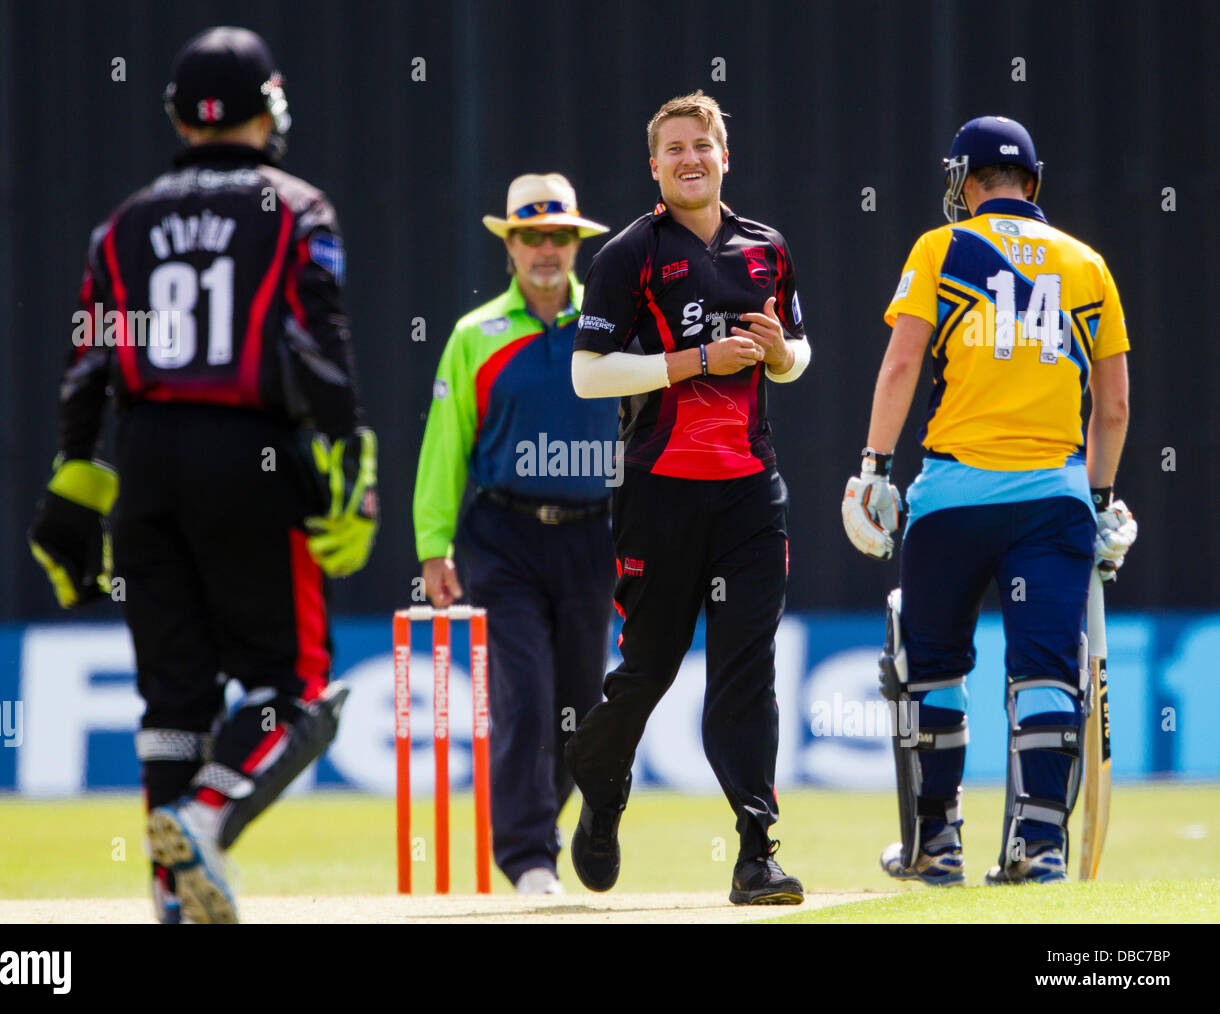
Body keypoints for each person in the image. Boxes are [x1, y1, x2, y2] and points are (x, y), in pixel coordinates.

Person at [27, 26, 378, 923]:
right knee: (291, 688)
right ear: (267, 109)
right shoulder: (296, 208)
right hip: (247, 453)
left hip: (144, 461)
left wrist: (74, 477)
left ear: (180, 119)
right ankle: (207, 814)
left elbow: (86, 366)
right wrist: (350, 461)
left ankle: (169, 896)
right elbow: (319, 345)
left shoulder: (123, 224)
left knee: (174, 698)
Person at [841, 115, 1138, 885]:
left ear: (967, 185)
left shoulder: (941, 250)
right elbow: (1112, 408)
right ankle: (1038, 850)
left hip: (952, 499)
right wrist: (1102, 496)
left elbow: (903, 363)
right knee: (1043, 671)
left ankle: (936, 848)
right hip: (1054, 500)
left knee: (931, 666)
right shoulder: (1087, 265)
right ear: (1031, 184)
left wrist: (873, 467)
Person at [562, 91, 812, 906]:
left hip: (749, 494)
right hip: (660, 494)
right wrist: (694, 361)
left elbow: (797, 354)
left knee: (746, 675)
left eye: (701, 144)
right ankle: (601, 792)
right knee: (648, 673)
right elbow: (588, 374)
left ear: (724, 156)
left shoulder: (767, 249)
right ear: (655, 166)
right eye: (673, 149)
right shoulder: (628, 253)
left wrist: (780, 355)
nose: (690, 158)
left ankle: (755, 854)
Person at [413, 173, 618, 894]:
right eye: (531, 236)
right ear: (510, 247)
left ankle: (542, 831)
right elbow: (447, 444)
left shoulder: (611, 322)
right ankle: (529, 858)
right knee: (525, 696)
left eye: (558, 236)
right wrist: (433, 547)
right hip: (503, 536)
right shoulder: (477, 336)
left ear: (573, 245)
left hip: (594, 538)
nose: (545, 250)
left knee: (582, 709)